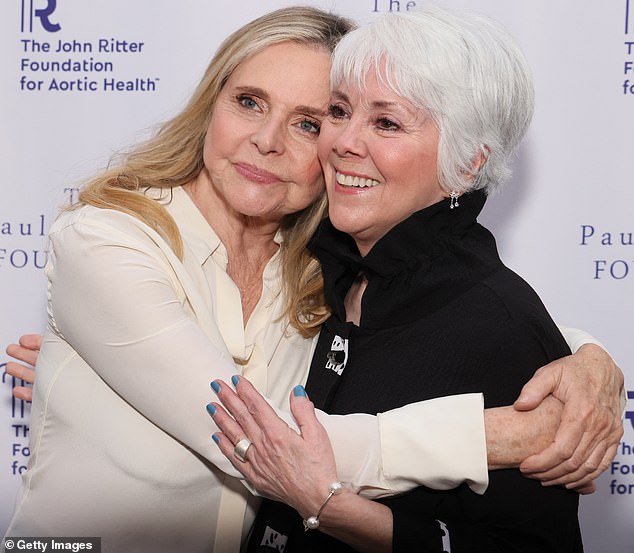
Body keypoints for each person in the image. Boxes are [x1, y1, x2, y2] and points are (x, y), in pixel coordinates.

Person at [2, 5, 623, 553]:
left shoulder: (312, 266)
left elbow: (439, 315)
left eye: (308, 120)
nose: (266, 141)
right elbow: (259, 443)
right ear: (208, 105)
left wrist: (586, 359)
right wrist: (492, 436)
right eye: (249, 102)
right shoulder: (108, 239)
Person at [206, 7, 621, 552]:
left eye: (386, 123)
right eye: (338, 111)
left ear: (467, 166)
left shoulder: (499, 324)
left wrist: (339, 512)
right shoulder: (317, 264)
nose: (343, 143)